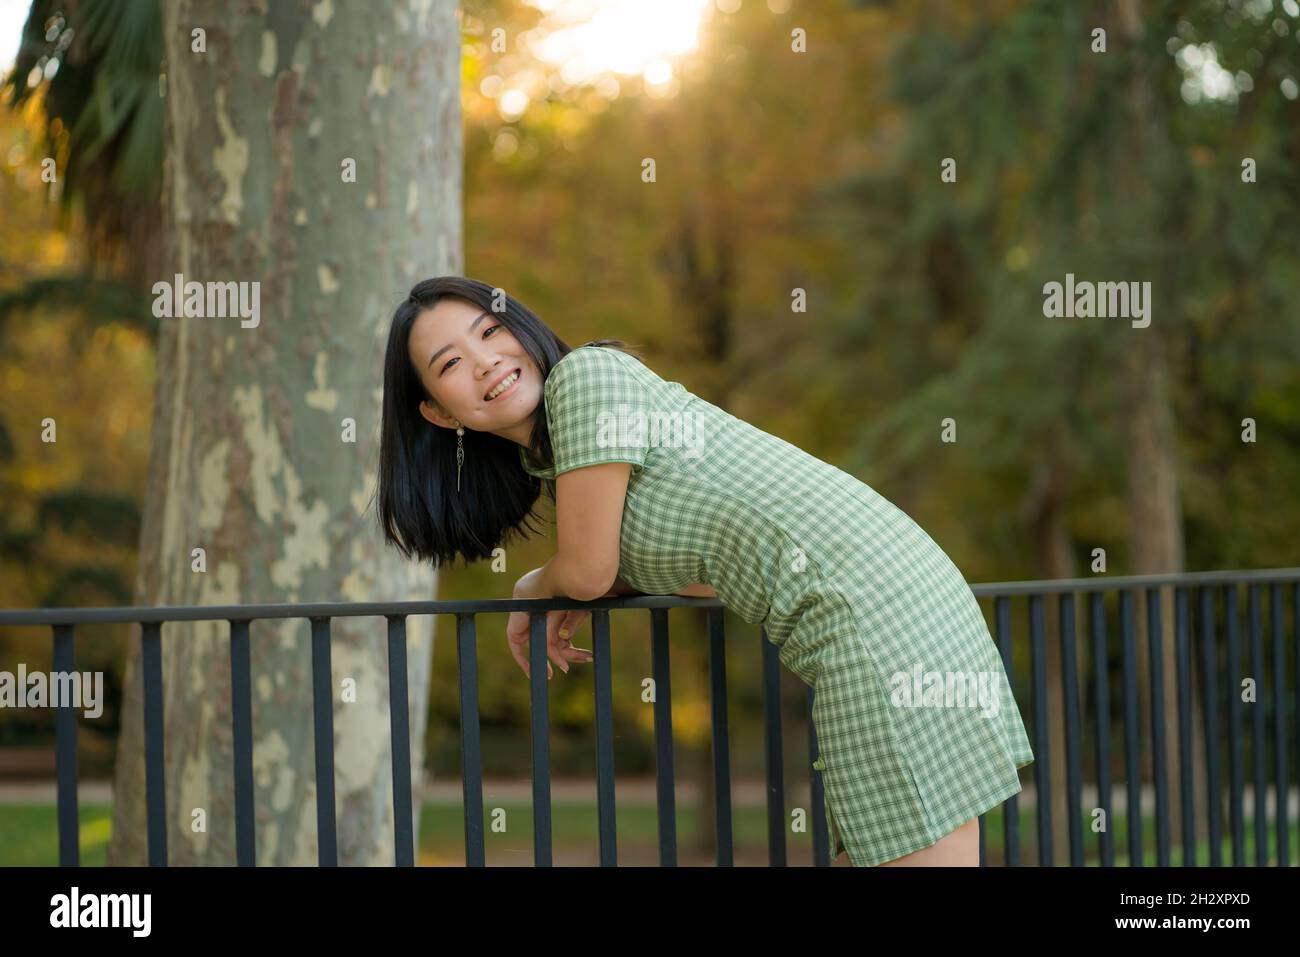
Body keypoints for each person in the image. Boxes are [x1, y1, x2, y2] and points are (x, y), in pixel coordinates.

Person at [376, 276, 1035, 866]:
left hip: (880, 626)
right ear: (437, 411)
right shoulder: (566, 458)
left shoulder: (587, 378)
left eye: (491, 329)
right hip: (894, 614)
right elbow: (693, 560)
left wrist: (536, 585)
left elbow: (583, 569)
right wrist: (600, 579)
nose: (487, 359)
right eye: (452, 362)